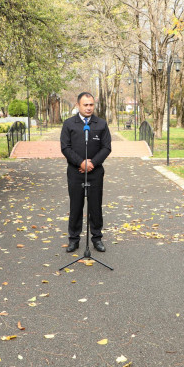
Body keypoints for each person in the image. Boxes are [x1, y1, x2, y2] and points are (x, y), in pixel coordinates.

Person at [60, 92, 112, 253]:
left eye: (91, 105)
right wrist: (81, 162)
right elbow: (65, 147)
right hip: (75, 172)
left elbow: (106, 147)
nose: (89, 108)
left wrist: (92, 163)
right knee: (76, 205)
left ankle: (96, 238)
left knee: (95, 206)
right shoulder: (69, 124)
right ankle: (74, 239)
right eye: (85, 105)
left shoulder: (101, 124)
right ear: (78, 105)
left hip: (95, 172)